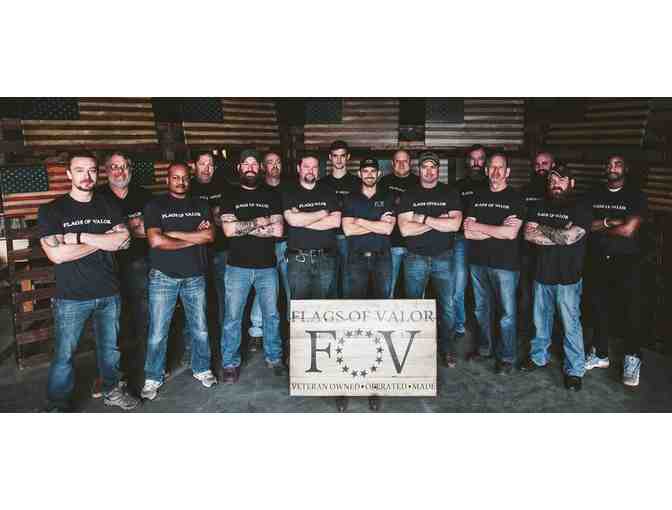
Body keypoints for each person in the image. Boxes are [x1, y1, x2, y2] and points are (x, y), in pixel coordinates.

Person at [38, 151, 139, 411]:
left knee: (110, 350)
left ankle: (112, 391)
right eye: (80, 170)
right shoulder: (52, 210)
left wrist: (78, 237)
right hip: (71, 296)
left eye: (92, 170)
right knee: (64, 355)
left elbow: (124, 241)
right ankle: (57, 404)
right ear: (69, 174)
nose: (87, 176)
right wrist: (104, 240)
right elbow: (57, 255)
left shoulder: (108, 205)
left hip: (109, 291)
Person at [141, 162, 217, 400]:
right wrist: (194, 238)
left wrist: (172, 234)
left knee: (200, 328)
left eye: (184, 178)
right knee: (157, 332)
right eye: (175, 177)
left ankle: (202, 368)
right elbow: (156, 241)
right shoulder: (155, 206)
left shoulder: (200, 205)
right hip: (163, 277)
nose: (180, 182)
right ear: (167, 180)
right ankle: (153, 376)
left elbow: (210, 235)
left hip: (195, 276)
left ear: (189, 179)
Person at [520, 165, 592, 391]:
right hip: (542, 274)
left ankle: (575, 370)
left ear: (571, 183)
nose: (555, 184)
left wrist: (544, 229)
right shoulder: (538, 205)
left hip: (568, 278)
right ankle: (538, 357)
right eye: (552, 180)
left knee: (571, 325)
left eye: (561, 180)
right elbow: (529, 235)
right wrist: (558, 234)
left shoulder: (581, 208)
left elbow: (570, 238)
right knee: (540, 321)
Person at [219, 149, 285, 383]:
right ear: (239, 168)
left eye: (254, 164)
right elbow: (228, 230)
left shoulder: (271, 194)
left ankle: (274, 357)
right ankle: (230, 363)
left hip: (267, 267)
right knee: (233, 317)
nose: (250, 168)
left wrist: (244, 227)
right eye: (245, 164)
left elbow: (278, 230)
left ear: (260, 168)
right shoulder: (230, 195)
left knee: (272, 315)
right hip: (237, 267)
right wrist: (258, 222)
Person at [585, 155, 647, 387]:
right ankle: (600, 354)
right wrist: (612, 222)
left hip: (627, 260)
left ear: (625, 168)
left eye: (617, 164)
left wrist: (601, 225)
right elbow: (585, 225)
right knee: (599, 307)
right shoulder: (594, 193)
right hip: (598, 259)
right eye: (609, 164)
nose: (612, 168)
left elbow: (629, 230)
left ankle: (633, 357)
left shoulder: (636, 195)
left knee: (631, 310)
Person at [398, 150, 462, 367]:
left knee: (447, 307)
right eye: (425, 167)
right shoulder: (409, 194)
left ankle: (447, 349)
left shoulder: (450, 193)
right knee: (414, 305)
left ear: (437, 169)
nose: (428, 171)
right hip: (415, 258)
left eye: (432, 167)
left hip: (444, 257)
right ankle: (414, 350)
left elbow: (454, 225)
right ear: (419, 169)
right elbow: (405, 230)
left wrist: (422, 218)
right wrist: (438, 222)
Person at [342, 157, 395, 412]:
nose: (370, 174)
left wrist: (360, 221)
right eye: (366, 170)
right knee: (355, 315)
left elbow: (388, 230)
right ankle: (352, 372)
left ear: (378, 174)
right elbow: (347, 230)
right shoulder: (351, 198)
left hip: (382, 260)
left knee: (380, 315)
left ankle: (375, 379)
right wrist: (374, 224)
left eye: (373, 170)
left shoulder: (388, 197)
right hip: (356, 261)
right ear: (360, 173)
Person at [464, 151, 525, 374]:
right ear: (486, 170)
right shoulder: (477, 196)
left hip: (505, 265)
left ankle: (507, 357)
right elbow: (468, 232)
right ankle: (484, 348)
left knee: (507, 314)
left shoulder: (516, 198)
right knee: (481, 309)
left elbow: (511, 234)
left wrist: (480, 227)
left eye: (501, 168)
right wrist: (497, 230)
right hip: (478, 262)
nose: (496, 172)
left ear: (507, 172)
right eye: (492, 167)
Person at [98, 151, 153, 396]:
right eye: (114, 167)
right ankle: (112, 377)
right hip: (106, 268)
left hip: (139, 264)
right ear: (106, 170)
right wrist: (133, 226)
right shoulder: (97, 197)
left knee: (143, 316)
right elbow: (99, 234)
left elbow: (150, 230)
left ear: (131, 169)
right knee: (111, 324)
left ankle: (147, 369)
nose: (120, 172)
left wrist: (120, 230)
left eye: (124, 166)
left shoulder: (144, 195)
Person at [188, 150, 233, 364]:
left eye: (210, 164)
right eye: (202, 163)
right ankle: (196, 346)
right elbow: (188, 221)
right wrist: (212, 215)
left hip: (222, 250)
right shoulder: (187, 187)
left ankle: (225, 344)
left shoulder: (224, 186)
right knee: (196, 301)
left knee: (225, 298)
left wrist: (209, 217)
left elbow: (227, 217)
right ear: (194, 165)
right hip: (195, 252)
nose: (206, 168)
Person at [248, 151, 294, 354]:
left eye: (278, 162)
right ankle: (257, 332)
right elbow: (256, 219)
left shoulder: (290, 188)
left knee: (291, 287)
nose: (274, 166)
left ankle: (294, 328)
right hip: (264, 245)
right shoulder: (258, 189)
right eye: (270, 162)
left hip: (288, 244)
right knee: (264, 289)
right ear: (262, 166)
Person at [283, 152, 341, 300]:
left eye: (314, 167)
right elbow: (292, 220)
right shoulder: (289, 192)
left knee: (322, 307)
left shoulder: (328, 191)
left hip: (325, 259)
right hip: (299, 260)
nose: (311, 170)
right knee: (300, 307)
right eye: (306, 167)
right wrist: (323, 213)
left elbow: (335, 221)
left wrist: (302, 219)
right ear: (299, 168)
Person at [519, 151, 557, 339]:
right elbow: (521, 224)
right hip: (527, 253)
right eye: (537, 164)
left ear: (553, 165)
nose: (540, 167)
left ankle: (550, 336)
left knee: (551, 299)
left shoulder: (558, 192)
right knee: (526, 297)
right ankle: (528, 336)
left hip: (552, 255)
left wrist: (538, 228)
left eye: (545, 163)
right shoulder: (524, 192)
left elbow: (562, 227)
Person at [454, 144, 488, 336]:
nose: (476, 163)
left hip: (485, 241)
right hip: (461, 240)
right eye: (473, 159)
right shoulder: (458, 186)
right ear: (467, 161)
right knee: (458, 285)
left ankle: (483, 328)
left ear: (485, 161)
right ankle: (459, 323)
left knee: (482, 288)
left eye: (480, 158)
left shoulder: (491, 184)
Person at [321, 140, 360, 298]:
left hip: (350, 238)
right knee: (329, 281)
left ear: (348, 157)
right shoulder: (322, 184)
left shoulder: (357, 183)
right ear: (330, 157)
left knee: (348, 280)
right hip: (327, 237)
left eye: (342, 156)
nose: (338, 160)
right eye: (335, 156)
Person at [378, 149, 419, 297]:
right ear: (392, 163)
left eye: (405, 161)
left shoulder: (419, 182)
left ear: (410, 163)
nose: (401, 164)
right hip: (390, 244)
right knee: (388, 290)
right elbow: (378, 209)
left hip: (415, 245)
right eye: (398, 161)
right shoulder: (383, 182)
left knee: (415, 292)